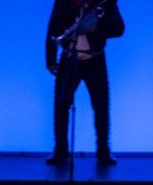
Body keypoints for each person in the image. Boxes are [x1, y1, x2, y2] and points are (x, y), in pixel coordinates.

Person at [45, 0, 124, 166]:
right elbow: (53, 28)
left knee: (100, 105)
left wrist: (97, 27)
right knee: (61, 104)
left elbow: (119, 29)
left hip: (95, 59)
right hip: (69, 57)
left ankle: (103, 151)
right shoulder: (63, 2)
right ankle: (60, 151)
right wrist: (50, 60)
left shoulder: (105, 2)